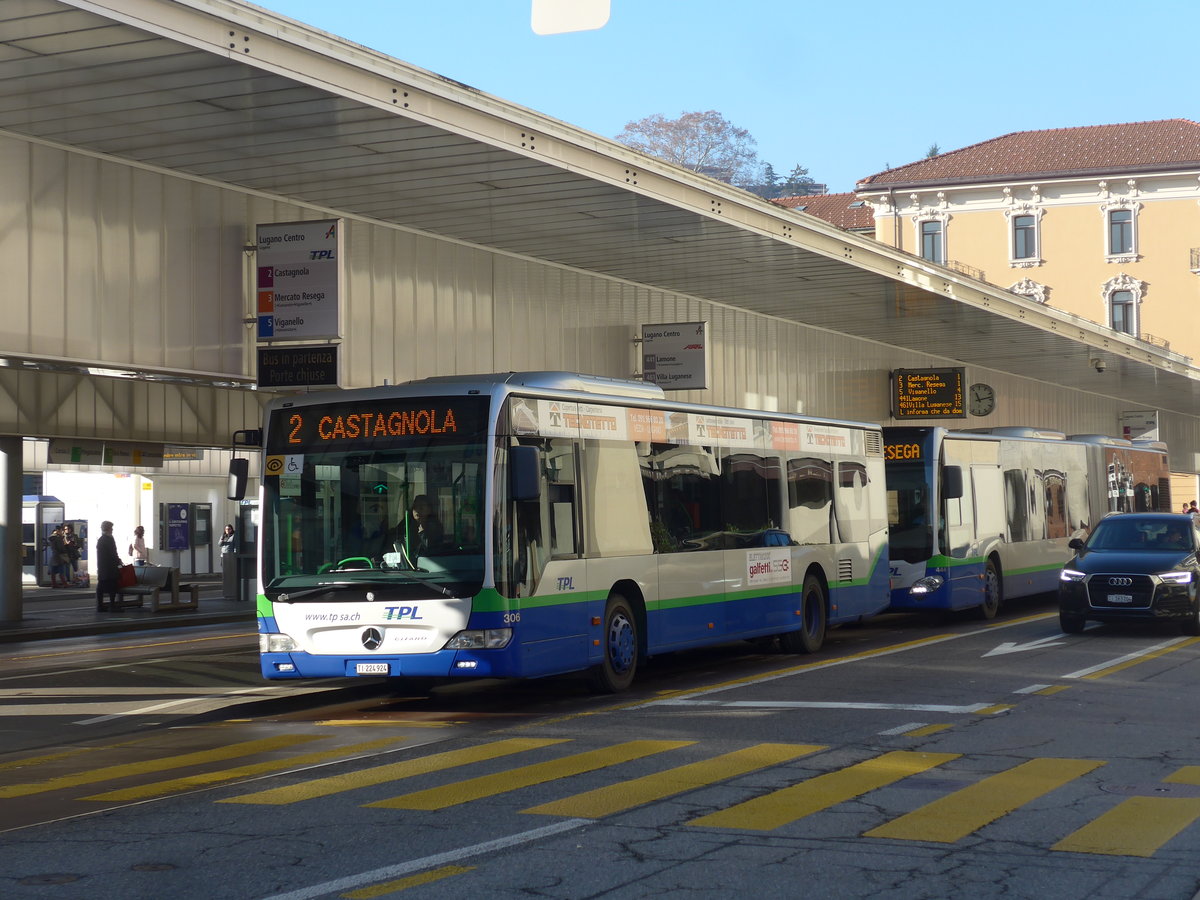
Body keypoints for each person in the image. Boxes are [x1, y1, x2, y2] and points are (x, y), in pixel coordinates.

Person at [95, 520, 123, 612]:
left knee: (101, 587)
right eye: (111, 528)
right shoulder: (109, 539)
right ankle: (112, 605)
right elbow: (113, 553)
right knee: (113, 587)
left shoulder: (101, 539)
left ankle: (100, 605)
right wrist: (118, 561)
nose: (112, 529)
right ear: (108, 529)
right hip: (110, 567)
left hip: (102, 567)